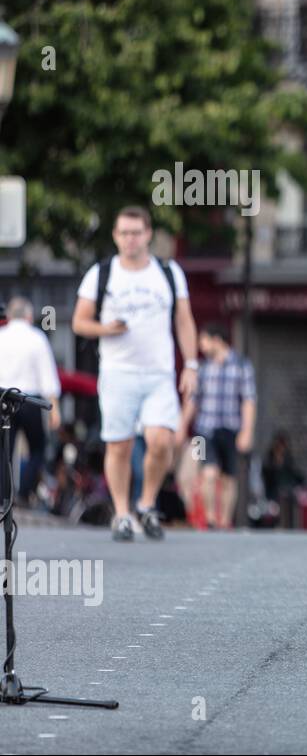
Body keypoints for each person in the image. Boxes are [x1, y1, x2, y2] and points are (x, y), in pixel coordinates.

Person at [71, 206, 198, 541]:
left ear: (149, 234)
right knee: (120, 445)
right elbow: (79, 322)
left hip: (159, 372)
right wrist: (105, 329)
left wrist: (192, 365)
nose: (130, 239)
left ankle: (146, 502)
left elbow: (184, 321)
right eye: (124, 233)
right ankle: (123, 513)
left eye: (136, 233)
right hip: (118, 372)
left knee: (161, 441)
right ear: (115, 236)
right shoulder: (101, 273)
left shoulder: (168, 273)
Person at [178, 322, 257, 530]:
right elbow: (192, 400)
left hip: (231, 428)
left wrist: (247, 432)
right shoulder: (203, 369)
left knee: (229, 478)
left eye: (203, 341)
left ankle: (224, 521)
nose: (201, 346)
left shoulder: (241, 365)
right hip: (205, 430)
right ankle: (211, 519)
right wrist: (181, 426)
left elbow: (249, 400)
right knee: (209, 473)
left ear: (217, 340)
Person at [0, 297, 62, 505]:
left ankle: (4, 495)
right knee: (38, 448)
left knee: (4, 450)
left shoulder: (2, 336)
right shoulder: (37, 338)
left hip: (3, 398)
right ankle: (24, 491)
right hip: (29, 400)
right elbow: (47, 376)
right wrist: (55, 409)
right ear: (29, 315)